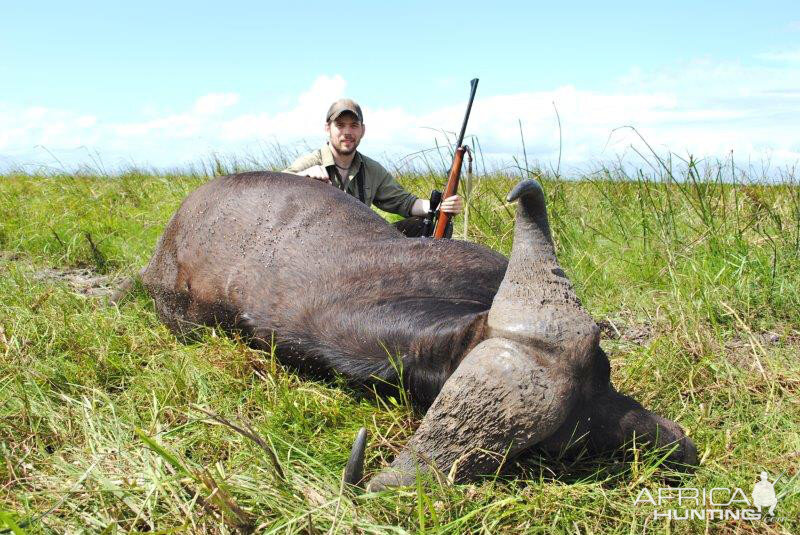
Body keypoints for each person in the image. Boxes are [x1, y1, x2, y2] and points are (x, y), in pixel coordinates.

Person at [283, 98, 463, 237]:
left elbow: (405, 202)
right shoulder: (311, 162)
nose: (347, 132)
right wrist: (302, 177)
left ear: (362, 130)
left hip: (363, 245)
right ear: (327, 128)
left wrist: (440, 206)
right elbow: (270, 192)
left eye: (353, 126)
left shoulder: (371, 169)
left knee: (430, 226)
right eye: (340, 125)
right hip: (318, 247)